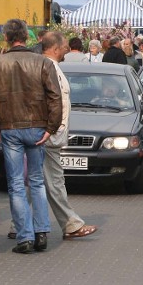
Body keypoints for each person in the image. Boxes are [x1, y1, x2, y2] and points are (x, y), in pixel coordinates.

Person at [0, 19, 62, 254]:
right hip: (37, 127)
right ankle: (41, 234)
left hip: (9, 128)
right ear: (26, 38)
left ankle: (25, 237)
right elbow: (55, 97)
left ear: (7, 37)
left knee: (17, 184)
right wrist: (51, 127)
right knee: (37, 182)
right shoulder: (42, 63)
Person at [41, 32, 98, 239]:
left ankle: (17, 224)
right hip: (50, 136)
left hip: (47, 134)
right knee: (55, 182)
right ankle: (71, 224)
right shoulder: (49, 67)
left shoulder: (48, 66)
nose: (67, 49)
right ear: (55, 49)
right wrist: (53, 131)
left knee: (35, 180)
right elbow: (55, 104)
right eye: (65, 46)